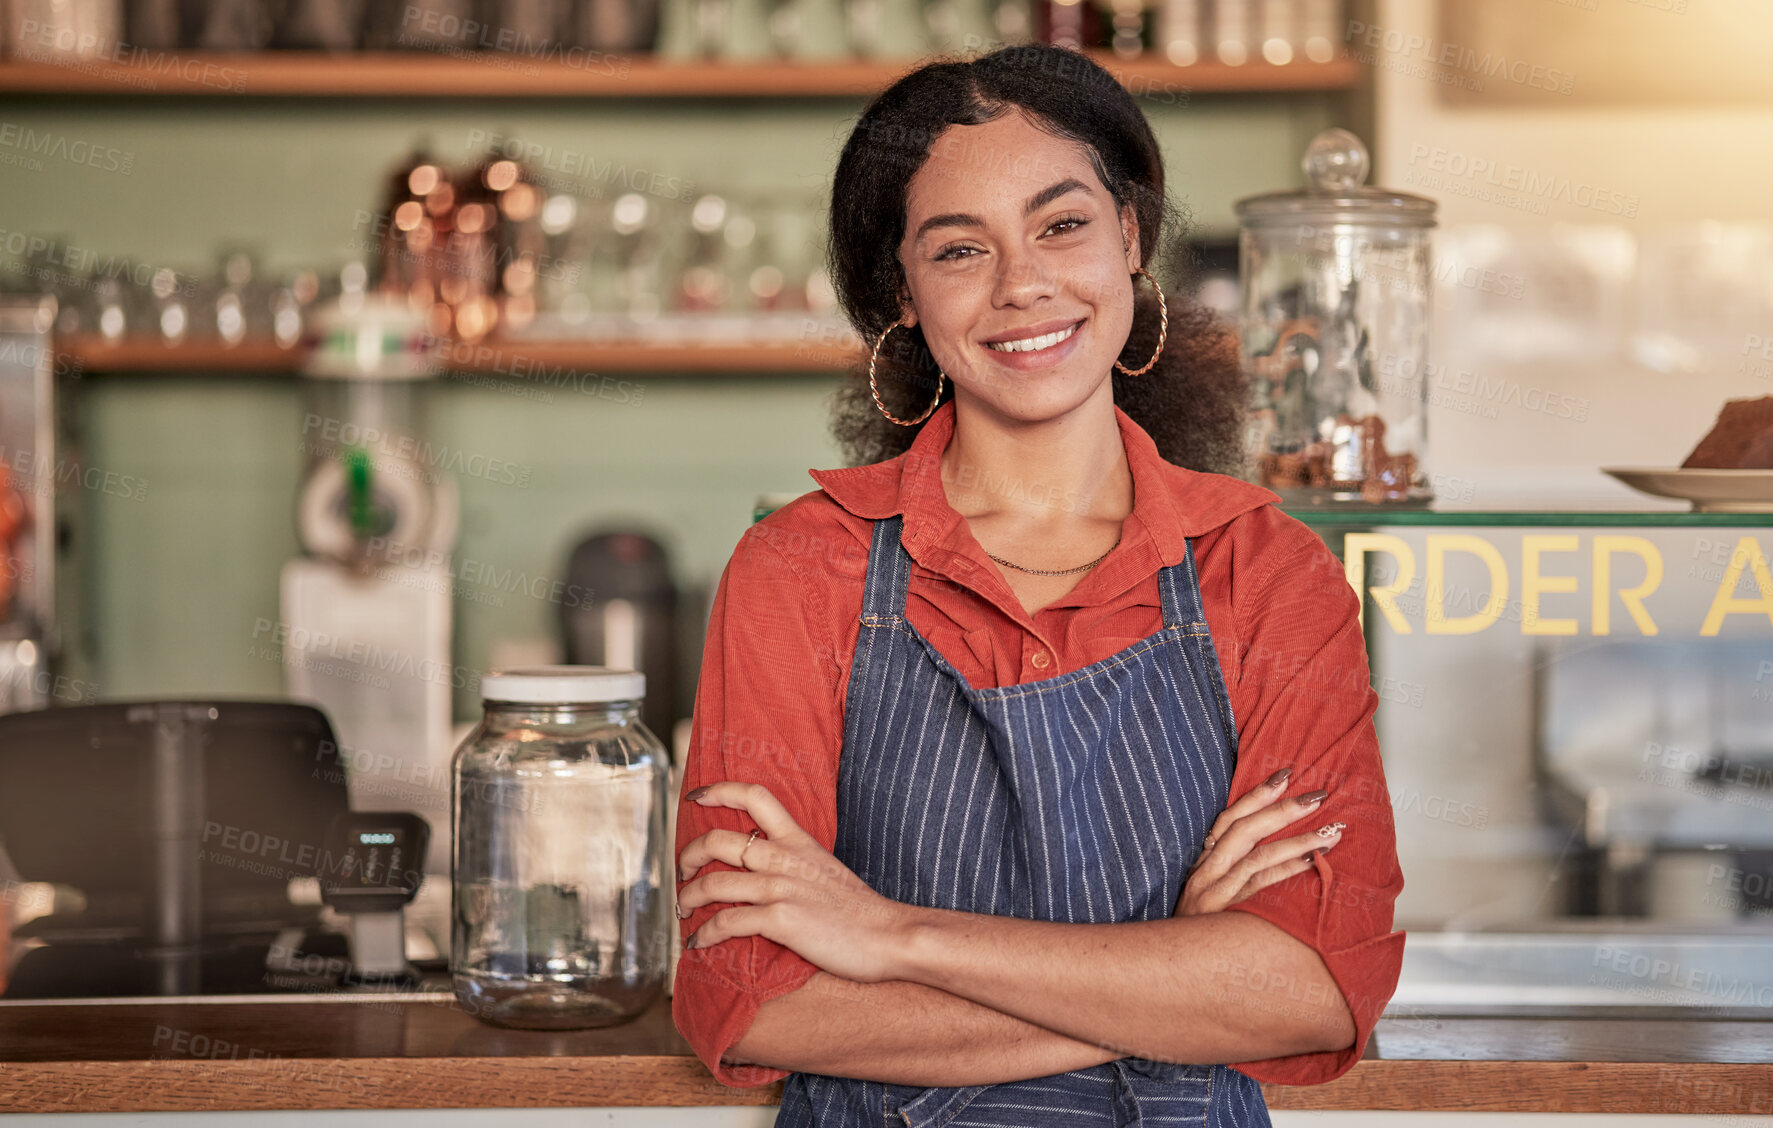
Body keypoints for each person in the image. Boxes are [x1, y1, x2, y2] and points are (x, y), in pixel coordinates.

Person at [671, 43, 1405, 1127]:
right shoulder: (800, 569)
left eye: (1062, 224)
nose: (1024, 284)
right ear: (903, 295)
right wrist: (1182, 978)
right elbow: (751, 1003)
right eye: (959, 249)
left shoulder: (1269, 574)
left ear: (1131, 236)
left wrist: (888, 936)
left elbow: (1316, 989)